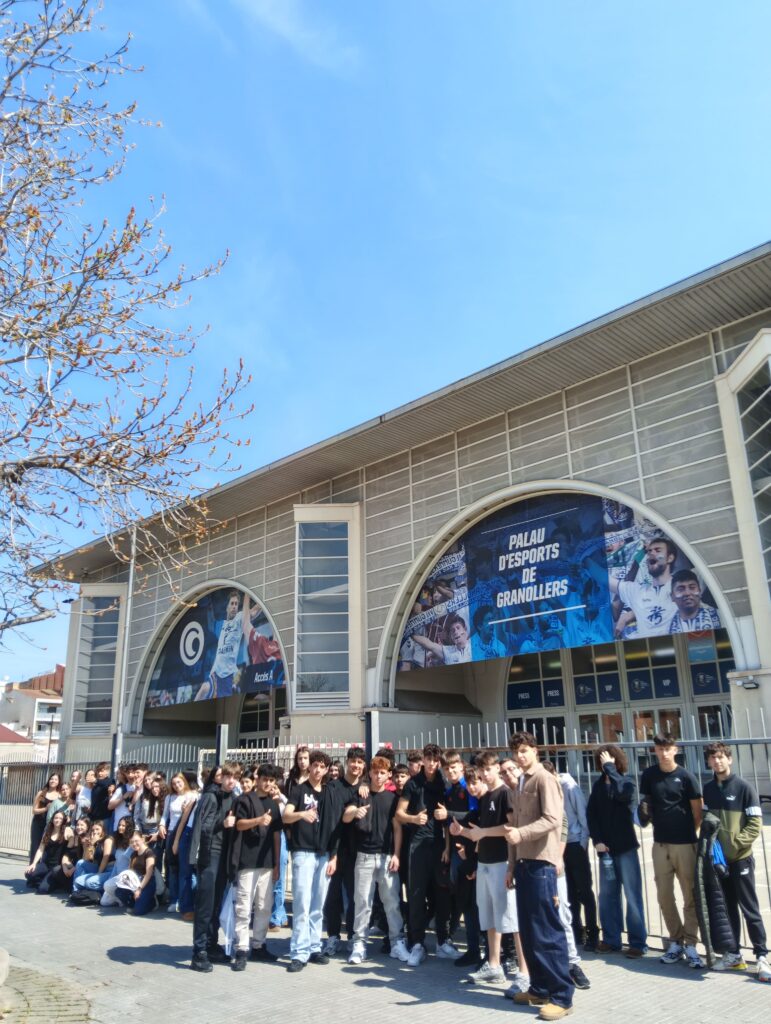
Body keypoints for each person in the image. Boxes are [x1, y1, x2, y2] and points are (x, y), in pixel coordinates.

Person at [505, 731, 574, 1022]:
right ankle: (540, 988)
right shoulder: (520, 780)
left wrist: (521, 834)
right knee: (530, 931)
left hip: (542, 864)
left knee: (547, 932)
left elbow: (553, 819)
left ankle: (562, 995)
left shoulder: (545, 778)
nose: (520, 756)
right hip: (523, 863)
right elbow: (513, 825)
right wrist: (511, 866)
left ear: (535, 750)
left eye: (524, 750)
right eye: (516, 752)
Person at [450, 751, 519, 984]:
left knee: (510, 918)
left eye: (488, 769)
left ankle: (522, 970)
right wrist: (462, 831)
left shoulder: (505, 793)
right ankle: (493, 964)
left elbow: (511, 827)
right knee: (488, 917)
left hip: (502, 862)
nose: (485, 774)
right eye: (482, 770)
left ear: (497, 768)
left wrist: (483, 833)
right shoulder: (486, 796)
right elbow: (478, 833)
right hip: (484, 863)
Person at [702, 742, 770, 981]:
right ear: (708, 762)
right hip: (720, 863)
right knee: (728, 909)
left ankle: (762, 956)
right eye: (713, 758)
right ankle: (734, 955)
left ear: (729, 759)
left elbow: (755, 825)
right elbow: (708, 822)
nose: (717, 761)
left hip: (741, 860)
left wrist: (734, 845)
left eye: (721, 757)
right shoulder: (708, 789)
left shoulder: (744, 788)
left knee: (750, 909)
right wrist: (713, 849)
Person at [639, 733, 703, 968]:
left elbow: (698, 811)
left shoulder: (686, 777)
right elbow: (647, 804)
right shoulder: (649, 775)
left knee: (690, 895)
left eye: (668, 748)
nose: (664, 753)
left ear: (675, 750)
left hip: (684, 844)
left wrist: (687, 832)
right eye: (659, 749)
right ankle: (675, 941)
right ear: (654, 750)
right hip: (660, 844)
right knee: (664, 895)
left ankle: (691, 944)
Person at [284, 750, 346, 972]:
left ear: (327, 769)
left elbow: (337, 825)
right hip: (303, 852)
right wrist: (301, 814)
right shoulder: (299, 790)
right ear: (309, 766)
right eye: (315, 765)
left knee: (318, 904)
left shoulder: (331, 793)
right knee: (302, 902)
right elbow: (286, 816)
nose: (318, 770)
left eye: (322, 766)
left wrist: (334, 856)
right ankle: (299, 952)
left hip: (324, 854)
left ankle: (314, 947)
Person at [344, 755, 409, 965]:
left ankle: (397, 943)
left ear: (388, 775)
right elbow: (346, 816)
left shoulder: (393, 799)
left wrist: (396, 854)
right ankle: (359, 944)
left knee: (392, 903)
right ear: (369, 773)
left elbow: (397, 829)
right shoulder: (360, 794)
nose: (379, 776)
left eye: (382, 773)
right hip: (363, 856)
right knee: (362, 902)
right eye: (375, 772)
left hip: (387, 856)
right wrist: (355, 811)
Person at [586, 745, 647, 958]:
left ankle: (637, 942)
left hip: (626, 848)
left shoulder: (626, 782)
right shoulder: (598, 786)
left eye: (608, 760)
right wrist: (597, 841)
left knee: (632, 895)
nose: (604, 764)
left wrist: (611, 769)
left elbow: (623, 794)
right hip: (606, 851)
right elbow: (591, 815)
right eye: (602, 760)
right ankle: (611, 939)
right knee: (607, 896)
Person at [395, 743, 453, 967]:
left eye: (435, 760)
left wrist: (447, 847)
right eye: (428, 759)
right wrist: (413, 819)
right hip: (417, 845)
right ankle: (417, 943)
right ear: (423, 761)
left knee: (442, 894)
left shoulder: (443, 782)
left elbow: (448, 820)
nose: (431, 764)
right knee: (416, 895)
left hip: (439, 845)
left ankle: (443, 941)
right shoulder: (413, 783)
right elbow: (399, 813)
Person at [230, 763, 282, 969]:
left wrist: (277, 863)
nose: (268, 783)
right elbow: (239, 824)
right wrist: (258, 820)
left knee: (264, 906)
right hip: (247, 861)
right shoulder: (244, 800)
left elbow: (277, 834)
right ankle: (241, 948)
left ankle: (259, 945)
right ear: (257, 779)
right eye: (265, 779)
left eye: (271, 780)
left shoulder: (274, 804)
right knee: (243, 907)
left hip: (267, 863)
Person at [189, 762, 238, 972]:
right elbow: (203, 826)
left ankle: (211, 945)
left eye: (234, 777)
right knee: (205, 904)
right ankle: (198, 952)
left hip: (224, 856)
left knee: (216, 903)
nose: (231, 780)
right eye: (227, 776)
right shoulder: (211, 796)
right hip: (210, 855)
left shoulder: (233, 798)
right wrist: (222, 824)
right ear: (220, 777)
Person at [323, 745, 367, 956]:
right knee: (332, 896)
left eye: (359, 762)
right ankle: (332, 936)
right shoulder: (334, 787)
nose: (355, 765)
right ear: (347, 762)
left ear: (363, 765)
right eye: (353, 761)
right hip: (335, 848)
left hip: (356, 851)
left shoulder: (365, 788)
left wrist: (365, 784)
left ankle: (352, 936)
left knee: (354, 896)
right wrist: (331, 853)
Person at [558, 768, 599, 951]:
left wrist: (582, 843)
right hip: (561, 846)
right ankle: (576, 931)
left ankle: (592, 933)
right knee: (569, 893)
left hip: (575, 844)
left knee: (584, 891)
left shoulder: (569, 787)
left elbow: (583, 815)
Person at [195, 591, 243, 700]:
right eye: (232, 603)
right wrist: (209, 605)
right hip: (216, 673)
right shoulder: (221, 625)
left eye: (236, 604)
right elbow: (211, 622)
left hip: (228, 675)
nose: (234, 606)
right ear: (227, 607)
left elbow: (253, 613)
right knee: (204, 688)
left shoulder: (239, 620)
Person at [160, 772, 195, 912]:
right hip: (171, 832)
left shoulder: (191, 795)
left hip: (185, 833)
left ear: (184, 781)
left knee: (185, 869)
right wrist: (161, 825)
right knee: (173, 868)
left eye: (179, 782)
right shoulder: (170, 797)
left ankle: (185, 899)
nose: (176, 785)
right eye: (174, 783)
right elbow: (165, 816)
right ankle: (174, 899)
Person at [114, 832, 157, 915]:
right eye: (131, 842)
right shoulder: (133, 854)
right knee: (118, 891)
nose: (134, 844)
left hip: (147, 882)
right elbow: (130, 871)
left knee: (138, 912)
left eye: (136, 841)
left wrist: (139, 889)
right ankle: (134, 904)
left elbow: (149, 873)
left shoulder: (149, 853)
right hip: (135, 882)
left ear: (142, 840)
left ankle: (152, 902)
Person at [25, 810, 69, 892]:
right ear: (52, 819)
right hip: (46, 864)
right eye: (56, 818)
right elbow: (40, 849)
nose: (58, 820)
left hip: (56, 867)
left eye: (60, 818)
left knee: (42, 889)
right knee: (29, 873)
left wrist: (69, 831)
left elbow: (72, 843)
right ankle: (45, 878)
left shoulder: (66, 832)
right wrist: (33, 864)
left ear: (63, 821)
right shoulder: (48, 831)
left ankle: (56, 883)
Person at [29, 772, 61, 858]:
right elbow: (34, 810)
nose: (53, 781)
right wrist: (45, 809)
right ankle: (33, 864)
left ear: (58, 782)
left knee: (47, 845)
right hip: (38, 823)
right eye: (51, 779)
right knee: (35, 845)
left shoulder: (59, 795)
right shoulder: (41, 793)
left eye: (55, 779)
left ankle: (43, 865)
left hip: (51, 824)